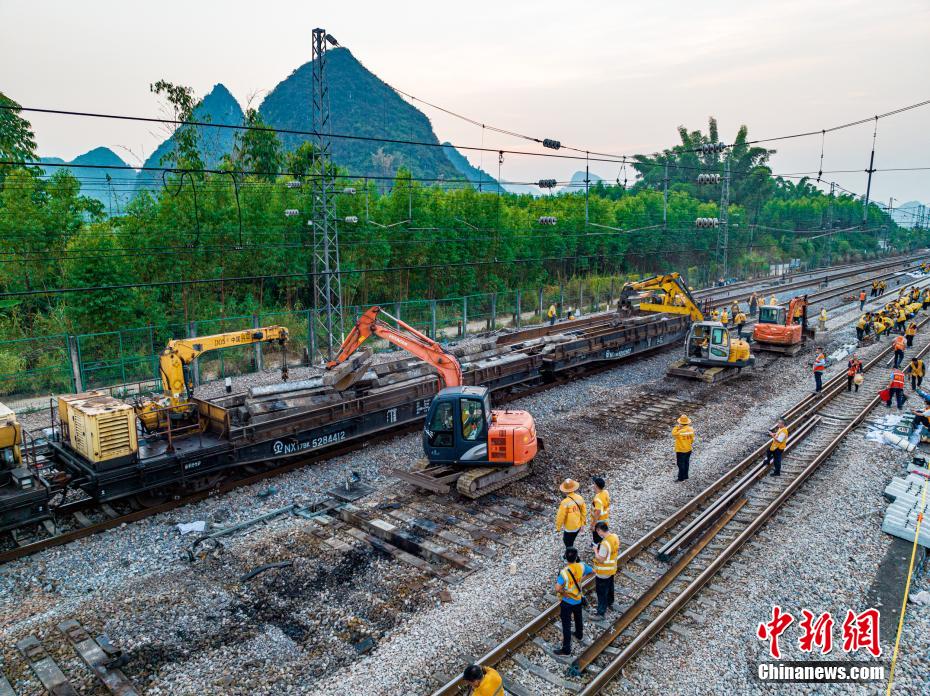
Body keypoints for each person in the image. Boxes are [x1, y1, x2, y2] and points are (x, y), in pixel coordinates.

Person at [554, 547, 594, 656]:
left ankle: (566, 649)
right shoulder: (582, 566)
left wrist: (563, 592)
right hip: (578, 599)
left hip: (567, 602)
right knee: (578, 617)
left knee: (566, 625)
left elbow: (557, 588)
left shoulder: (564, 572)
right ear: (576, 557)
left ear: (566, 558)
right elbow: (593, 571)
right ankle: (579, 634)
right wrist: (582, 580)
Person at [591, 521, 619, 617]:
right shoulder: (615, 537)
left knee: (601, 592)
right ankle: (610, 602)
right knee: (610, 587)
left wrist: (595, 551)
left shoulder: (605, 544)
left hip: (603, 572)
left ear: (599, 530)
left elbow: (601, 559)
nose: (597, 533)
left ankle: (600, 612)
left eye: (597, 531)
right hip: (611, 569)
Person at [555, 479, 587, 549]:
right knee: (571, 539)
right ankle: (570, 552)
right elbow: (584, 512)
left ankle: (570, 555)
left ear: (564, 490)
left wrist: (558, 527)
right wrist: (583, 524)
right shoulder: (580, 498)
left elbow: (560, 516)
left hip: (569, 527)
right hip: (578, 525)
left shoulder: (564, 502)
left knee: (567, 541)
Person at [671, 414, 694, 482]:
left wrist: (677, 427)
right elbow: (692, 439)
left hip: (681, 450)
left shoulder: (680, 431)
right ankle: (685, 476)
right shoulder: (691, 429)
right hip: (689, 449)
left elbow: (673, 433)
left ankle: (681, 478)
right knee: (686, 462)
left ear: (680, 423)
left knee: (680, 464)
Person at [590, 476, 610, 544]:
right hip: (605, 519)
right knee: (603, 534)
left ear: (596, 486)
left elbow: (598, 512)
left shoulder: (597, 499)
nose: (593, 485)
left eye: (594, 484)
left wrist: (593, 525)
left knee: (597, 536)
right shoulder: (605, 492)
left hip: (599, 522)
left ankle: (598, 547)